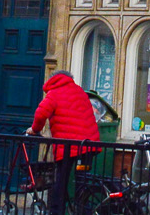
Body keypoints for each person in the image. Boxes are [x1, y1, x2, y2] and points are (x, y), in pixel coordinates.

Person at [28, 71, 100, 215]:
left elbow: (41, 113)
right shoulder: (79, 91)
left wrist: (35, 129)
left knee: (61, 181)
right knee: (82, 181)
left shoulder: (54, 93)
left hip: (67, 147)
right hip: (87, 145)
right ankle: (82, 210)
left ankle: (57, 211)